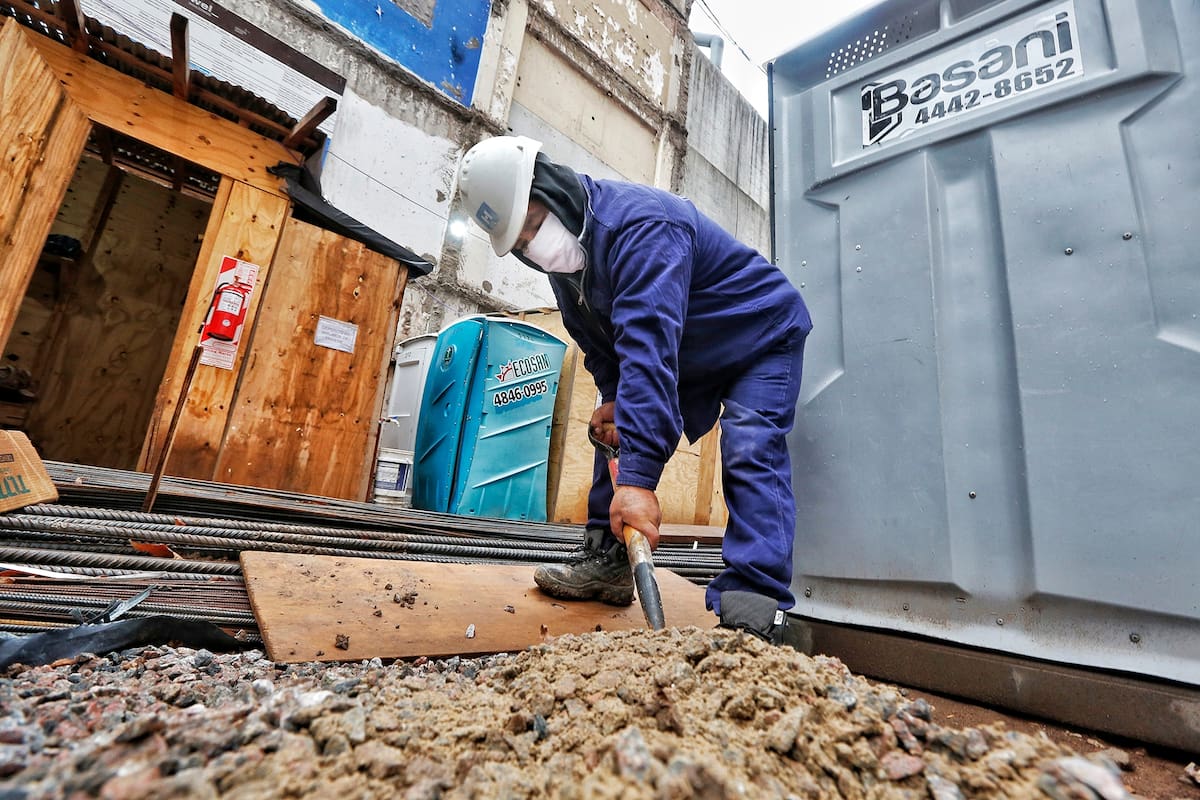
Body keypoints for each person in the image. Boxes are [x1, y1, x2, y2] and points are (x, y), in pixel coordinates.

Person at [456, 135, 812, 644]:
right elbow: (604, 348)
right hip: (690, 342)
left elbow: (649, 349)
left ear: (551, 190)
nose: (534, 246)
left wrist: (639, 483)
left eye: (534, 225)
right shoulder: (568, 264)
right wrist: (612, 399)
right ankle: (608, 561)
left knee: (750, 445)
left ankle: (756, 610)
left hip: (758, 333)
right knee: (616, 426)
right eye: (521, 243)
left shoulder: (644, 227)